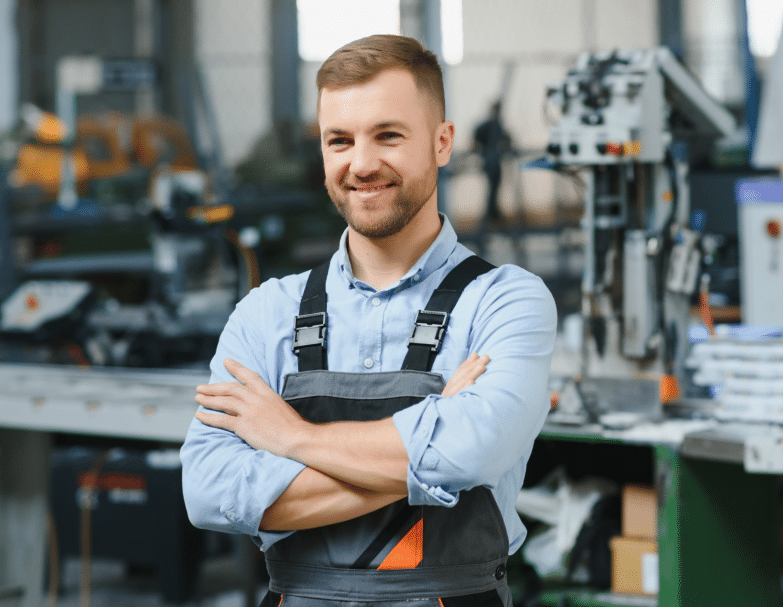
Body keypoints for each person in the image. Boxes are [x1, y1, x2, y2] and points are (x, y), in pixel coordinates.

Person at [180, 34, 557, 607]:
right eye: (340, 140)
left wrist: (293, 437)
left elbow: (475, 450)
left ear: (442, 142)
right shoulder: (268, 311)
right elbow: (209, 492)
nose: (361, 164)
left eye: (388, 136)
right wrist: (431, 451)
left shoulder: (504, 301)